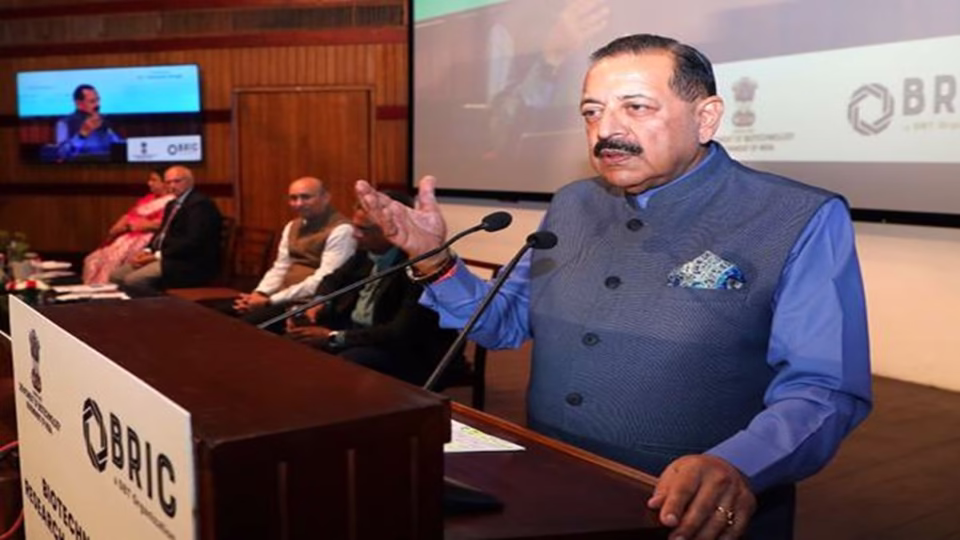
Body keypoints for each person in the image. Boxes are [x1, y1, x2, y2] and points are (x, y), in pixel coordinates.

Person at [357, 34, 872, 540]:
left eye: (637, 107)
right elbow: (503, 322)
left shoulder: (797, 216)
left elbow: (824, 388)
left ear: (706, 117)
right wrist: (435, 259)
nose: (606, 130)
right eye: (591, 111)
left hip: (693, 514)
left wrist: (738, 464)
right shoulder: (572, 203)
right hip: (551, 487)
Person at [286, 192, 459, 386]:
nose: (354, 234)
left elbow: (399, 332)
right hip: (362, 334)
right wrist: (318, 303)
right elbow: (332, 280)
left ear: (393, 229)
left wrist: (332, 337)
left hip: (409, 352)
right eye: (354, 226)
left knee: (343, 364)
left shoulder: (420, 267)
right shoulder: (366, 253)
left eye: (363, 229)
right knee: (296, 341)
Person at [233, 177, 356, 328]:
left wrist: (270, 301)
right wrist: (259, 294)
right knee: (221, 314)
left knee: (241, 327)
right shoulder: (292, 226)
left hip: (307, 305)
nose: (298, 204)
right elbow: (280, 267)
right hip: (280, 298)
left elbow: (323, 280)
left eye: (306, 197)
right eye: (293, 198)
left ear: (325, 197)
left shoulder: (342, 230)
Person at [110, 165, 222, 294]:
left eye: (177, 181)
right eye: (168, 182)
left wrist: (157, 256)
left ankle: (162, 305)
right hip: (166, 256)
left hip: (188, 262)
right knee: (116, 276)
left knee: (133, 280)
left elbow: (193, 242)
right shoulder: (171, 204)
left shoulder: (200, 204)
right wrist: (147, 251)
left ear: (190, 181)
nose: (172, 186)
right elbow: (161, 233)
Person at [82, 169, 174, 284]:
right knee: (93, 259)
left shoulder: (171, 201)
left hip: (147, 237)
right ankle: (93, 290)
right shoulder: (148, 198)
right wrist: (118, 227)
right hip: (129, 234)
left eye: (154, 180)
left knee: (113, 260)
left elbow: (162, 223)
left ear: (165, 183)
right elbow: (130, 215)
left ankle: (108, 290)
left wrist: (137, 225)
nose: (149, 183)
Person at [55, 84, 123, 161]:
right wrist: (82, 134)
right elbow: (63, 155)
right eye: (92, 101)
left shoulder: (103, 121)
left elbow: (118, 146)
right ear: (79, 104)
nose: (97, 105)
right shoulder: (65, 123)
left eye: (98, 100)